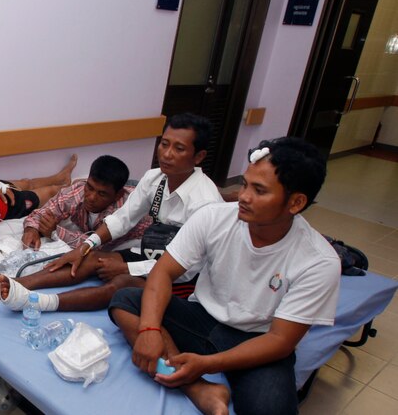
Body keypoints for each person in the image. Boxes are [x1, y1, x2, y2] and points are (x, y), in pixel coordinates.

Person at [109, 137, 339, 415]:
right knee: (126, 300)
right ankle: (198, 389)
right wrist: (149, 329)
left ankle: (194, 376)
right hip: (201, 318)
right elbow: (163, 272)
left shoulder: (319, 261)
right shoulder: (214, 217)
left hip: (258, 341)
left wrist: (208, 363)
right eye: (244, 184)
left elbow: (280, 340)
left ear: (296, 202)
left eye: (259, 190)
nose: (242, 196)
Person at [0, 113, 223, 312]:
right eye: (164, 144)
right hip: (153, 254)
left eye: (178, 149)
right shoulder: (155, 178)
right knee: (90, 258)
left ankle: (36, 303)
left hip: (181, 278)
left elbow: (189, 268)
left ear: (198, 156)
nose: (166, 154)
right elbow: (123, 219)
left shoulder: (205, 204)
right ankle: (13, 287)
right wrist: (84, 248)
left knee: (119, 285)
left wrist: (127, 269)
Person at [20, 155, 150, 252]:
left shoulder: (126, 209)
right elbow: (40, 214)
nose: (91, 197)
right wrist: (31, 230)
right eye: (90, 187)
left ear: (118, 195)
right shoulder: (79, 191)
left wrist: (55, 232)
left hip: (142, 229)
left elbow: (96, 246)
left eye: (102, 194)